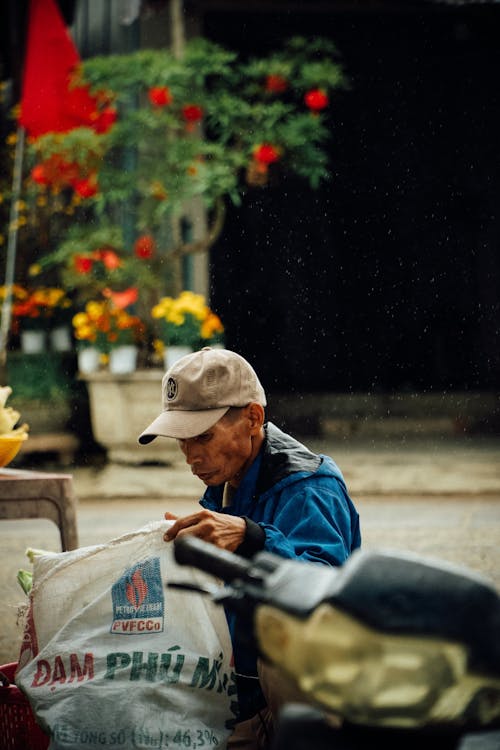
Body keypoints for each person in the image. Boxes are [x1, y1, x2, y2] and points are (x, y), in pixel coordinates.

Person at [138, 347, 361, 748]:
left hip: (303, 689)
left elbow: (323, 592)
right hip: (240, 688)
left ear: (253, 418)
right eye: (181, 441)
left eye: (202, 437)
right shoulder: (227, 483)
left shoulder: (310, 488)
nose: (190, 456)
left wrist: (251, 536)